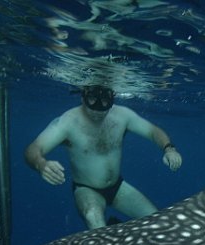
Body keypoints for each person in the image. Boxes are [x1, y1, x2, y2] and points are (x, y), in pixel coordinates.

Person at [24, 85, 183, 230]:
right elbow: (34, 148)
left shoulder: (122, 115)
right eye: (92, 100)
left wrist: (169, 149)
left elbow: (152, 131)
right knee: (93, 218)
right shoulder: (68, 122)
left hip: (117, 186)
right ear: (83, 97)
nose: (97, 110)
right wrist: (41, 164)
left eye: (104, 104)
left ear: (111, 99)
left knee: (160, 224)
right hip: (86, 189)